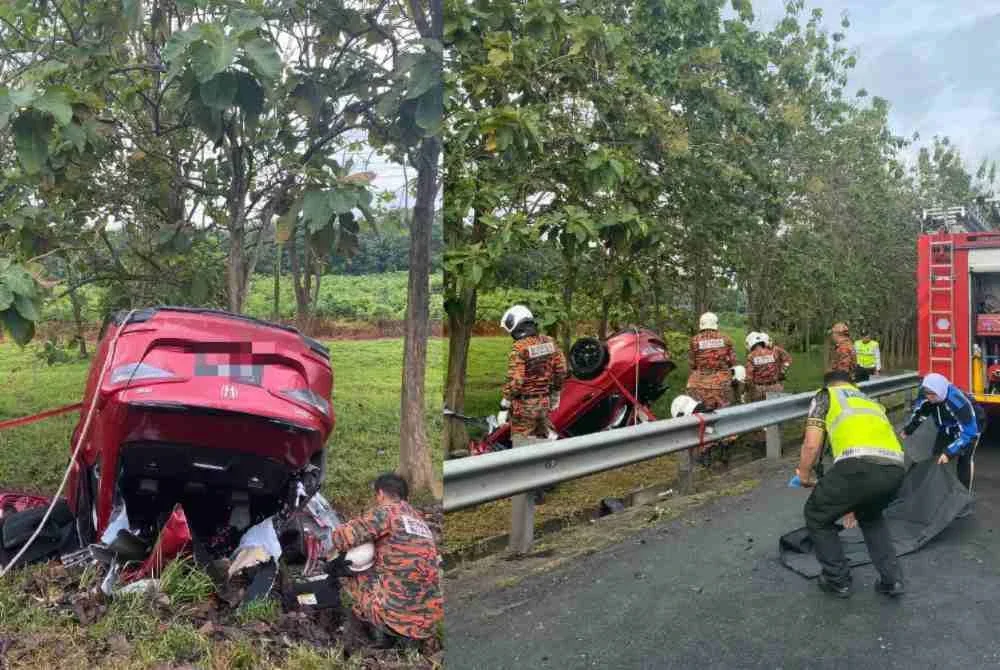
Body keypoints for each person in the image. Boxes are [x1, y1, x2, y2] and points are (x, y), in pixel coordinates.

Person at [794, 370, 906, 598]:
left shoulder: (826, 395)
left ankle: (837, 581)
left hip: (857, 465)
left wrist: (804, 474)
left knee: (817, 515)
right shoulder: (869, 400)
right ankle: (892, 580)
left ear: (828, 384)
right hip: (894, 468)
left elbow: (812, 444)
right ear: (851, 384)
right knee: (872, 517)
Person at [327, 473, 443, 649]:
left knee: (347, 568)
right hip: (426, 623)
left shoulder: (387, 512)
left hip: (394, 620)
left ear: (380, 494)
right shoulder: (420, 522)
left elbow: (342, 538)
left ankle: (369, 631)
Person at [498, 304, 567, 551]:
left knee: (522, 450)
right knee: (541, 444)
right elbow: (562, 370)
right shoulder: (549, 342)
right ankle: (543, 486)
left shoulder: (519, 348)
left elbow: (516, 381)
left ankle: (528, 493)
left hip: (524, 407)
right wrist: (556, 392)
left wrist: (504, 401)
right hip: (544, 404)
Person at [900, 373, 984, 491]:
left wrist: (949, 452)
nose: (929, 398)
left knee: (964, 459)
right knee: (937, 456)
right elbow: (921, 412)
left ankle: (965, 493)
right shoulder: (925, 394)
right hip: (946, 426)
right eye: (927, 394)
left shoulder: (958, 402)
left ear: (940, 393)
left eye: (932, 395)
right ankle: (937, 488)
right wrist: (909, 429)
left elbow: (969, 433)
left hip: (971, 426)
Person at [687, 312, 736, 466]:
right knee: (724, 414)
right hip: (721, 384)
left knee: (703, 416)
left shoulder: (694, 341)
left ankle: (706, 449)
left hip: (700, 384)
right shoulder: (726, 340)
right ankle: (726, 445)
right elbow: (732, 362)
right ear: (716, 323)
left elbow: (692, 364)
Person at [745, 331, 792, 402]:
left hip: (760, 390)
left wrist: (748, 391)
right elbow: (787, 360)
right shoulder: (774, 352)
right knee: (779, 409)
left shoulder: (751, 356)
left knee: (760, 411)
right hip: (776, 387)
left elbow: (749, 378)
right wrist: (782, 372)